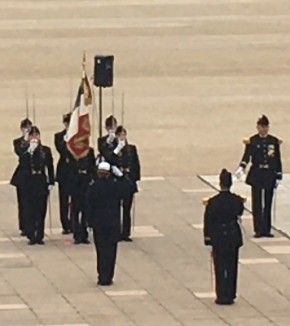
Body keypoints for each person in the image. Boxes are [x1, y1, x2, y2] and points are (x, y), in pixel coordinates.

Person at [235, 115, 282, 238]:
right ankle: (258, 229)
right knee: (257, 202)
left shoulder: (273, 141)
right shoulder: (253, 141)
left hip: (269, 174)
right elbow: (247, 156)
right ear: (258, 127)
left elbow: (277, 159)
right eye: (262, 127)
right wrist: (242, 167)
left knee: (268, 202)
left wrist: (278, 174)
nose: (264, 129)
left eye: (266, 127)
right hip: (257, 172)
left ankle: (266, 228)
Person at [203, 169, 244, 305]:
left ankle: (221, 294)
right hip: (232, 233)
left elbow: (208, 220)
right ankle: (230, 293)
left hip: (218, 235)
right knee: (232, 266)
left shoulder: (213, 202)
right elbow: (239, 212)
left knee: (220, 266)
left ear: (220, 184)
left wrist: (207, 238)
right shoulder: (236, 200)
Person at [86, 162, 131, 286]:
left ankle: (102, 276)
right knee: (111, 251)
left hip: (98, 224)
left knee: (101, 251)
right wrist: (121, 176)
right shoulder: (114, 186)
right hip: (113, 223)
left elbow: (88, 205)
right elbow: (129, 189)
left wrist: (89, 223)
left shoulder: (93, 187)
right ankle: (109, 276)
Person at [17, 126, 54, 245]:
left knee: (41, 209)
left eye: (36, 135)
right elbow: (22, 164)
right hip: (29, 182)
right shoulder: (25, 150)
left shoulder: (45, 150)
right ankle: (32, 234)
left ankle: (40, 235)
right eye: (32, 136)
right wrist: (29, 152)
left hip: (41, 180)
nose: (34, 138)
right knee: (30, 209)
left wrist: (51, 181)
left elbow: (49, 166)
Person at [113, 126, 141, 241]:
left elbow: (136, 164)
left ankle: (126, 232)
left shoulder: (131, 148)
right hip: (118, 181)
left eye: (123, 135)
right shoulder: (114, 149)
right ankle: (116, 231)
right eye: (120, 135)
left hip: (128, 181)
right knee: (116, 209)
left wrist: (135, 178)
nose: (122, 137)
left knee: (126, 209)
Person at [10, 118, 33, 236]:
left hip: (33, 176)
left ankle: (33, 225)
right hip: (23, 176)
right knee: (23, 202)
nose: (27, 130)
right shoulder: (17, 142)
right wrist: (25, 140)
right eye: (25, 128)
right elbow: (20, 153)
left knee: (33, 202)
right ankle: (24, 226)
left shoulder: (35, 140)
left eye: (29, 128)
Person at [70, 147, 96, 244]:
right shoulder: (72, 150)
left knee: (86, 210)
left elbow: (93, 166)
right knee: (75, 211)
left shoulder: (89, 151)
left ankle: (84, 234)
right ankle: (76, 234)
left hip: (86, 182)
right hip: (76, 183)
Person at [54, 113, 74, 234]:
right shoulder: (58, 136)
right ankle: (65, 224)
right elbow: (61, 149)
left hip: (75, 171)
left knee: (76, 200)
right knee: (64, 200)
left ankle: (74, 222)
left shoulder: (78, 135)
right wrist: (66, 138)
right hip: (64, 172)